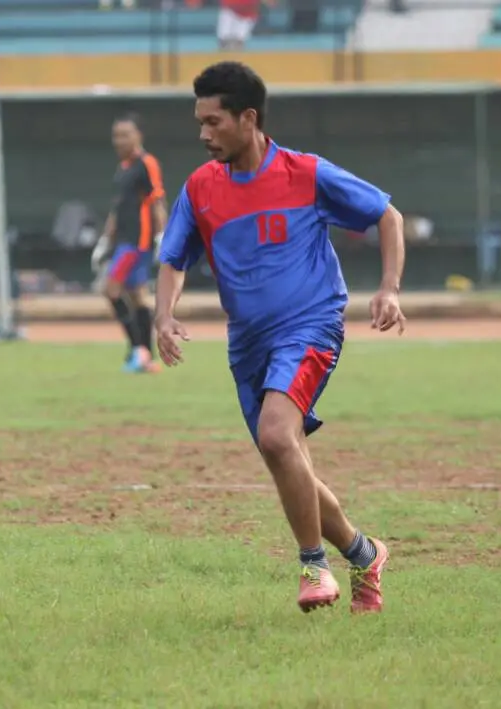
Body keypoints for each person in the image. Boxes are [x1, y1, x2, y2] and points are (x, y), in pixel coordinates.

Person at [154, 61, 405, 614]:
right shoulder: (200, 187)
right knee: (287, 456)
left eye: (214, 122)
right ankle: (365, 554)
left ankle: (314, 568)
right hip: (247, 343)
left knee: (275, 436)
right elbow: (173, 257)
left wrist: (388, 288)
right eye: (199, 122)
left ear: (249, 118)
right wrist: (163, 316)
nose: (203, 134)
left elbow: (387, 215)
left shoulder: (306, 173)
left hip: (310, 326)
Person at [91, 113, 166, 373]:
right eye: (116, 135)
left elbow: (157, 200)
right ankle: (147, 357)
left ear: (138, 136)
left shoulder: (147, 163)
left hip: (137, 241)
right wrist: (104, 240)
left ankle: (137, 349)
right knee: (137, 297)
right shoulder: (122, 168)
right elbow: (118, 208)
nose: (119, 140)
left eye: (125, 134)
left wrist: (161, 236)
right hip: (123, 240)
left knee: (110, 290)